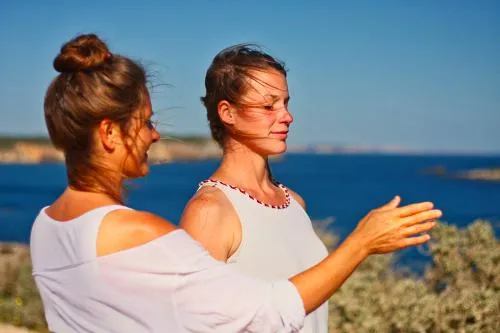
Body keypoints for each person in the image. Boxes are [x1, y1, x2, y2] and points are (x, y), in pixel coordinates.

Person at [30, 34, 441, 333]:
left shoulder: (45, 226)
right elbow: (260, 313)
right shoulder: (180, 220)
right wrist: (361, 243)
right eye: (147, 122)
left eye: (285, 103)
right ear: (109, 134)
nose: (156, 135)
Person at [179, 44, 433, 332]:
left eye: (285, 103)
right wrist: (360, 243)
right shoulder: (210, 211)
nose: (287, 116)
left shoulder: (294, 203)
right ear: (228, 113)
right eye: (268, 106)